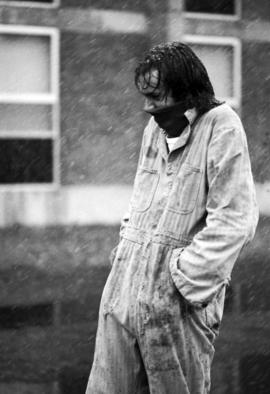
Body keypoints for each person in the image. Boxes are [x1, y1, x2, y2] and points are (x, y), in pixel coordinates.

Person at [86, 42, 258, 394]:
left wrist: (182, 279)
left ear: (187, 93)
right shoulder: (155, 129)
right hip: (124, 290)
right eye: (145, 96)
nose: (147, 108)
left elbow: (235, 219)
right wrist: (125, 253)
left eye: (157, 97)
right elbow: (139, 202)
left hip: (177, 303)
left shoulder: (221, 126)